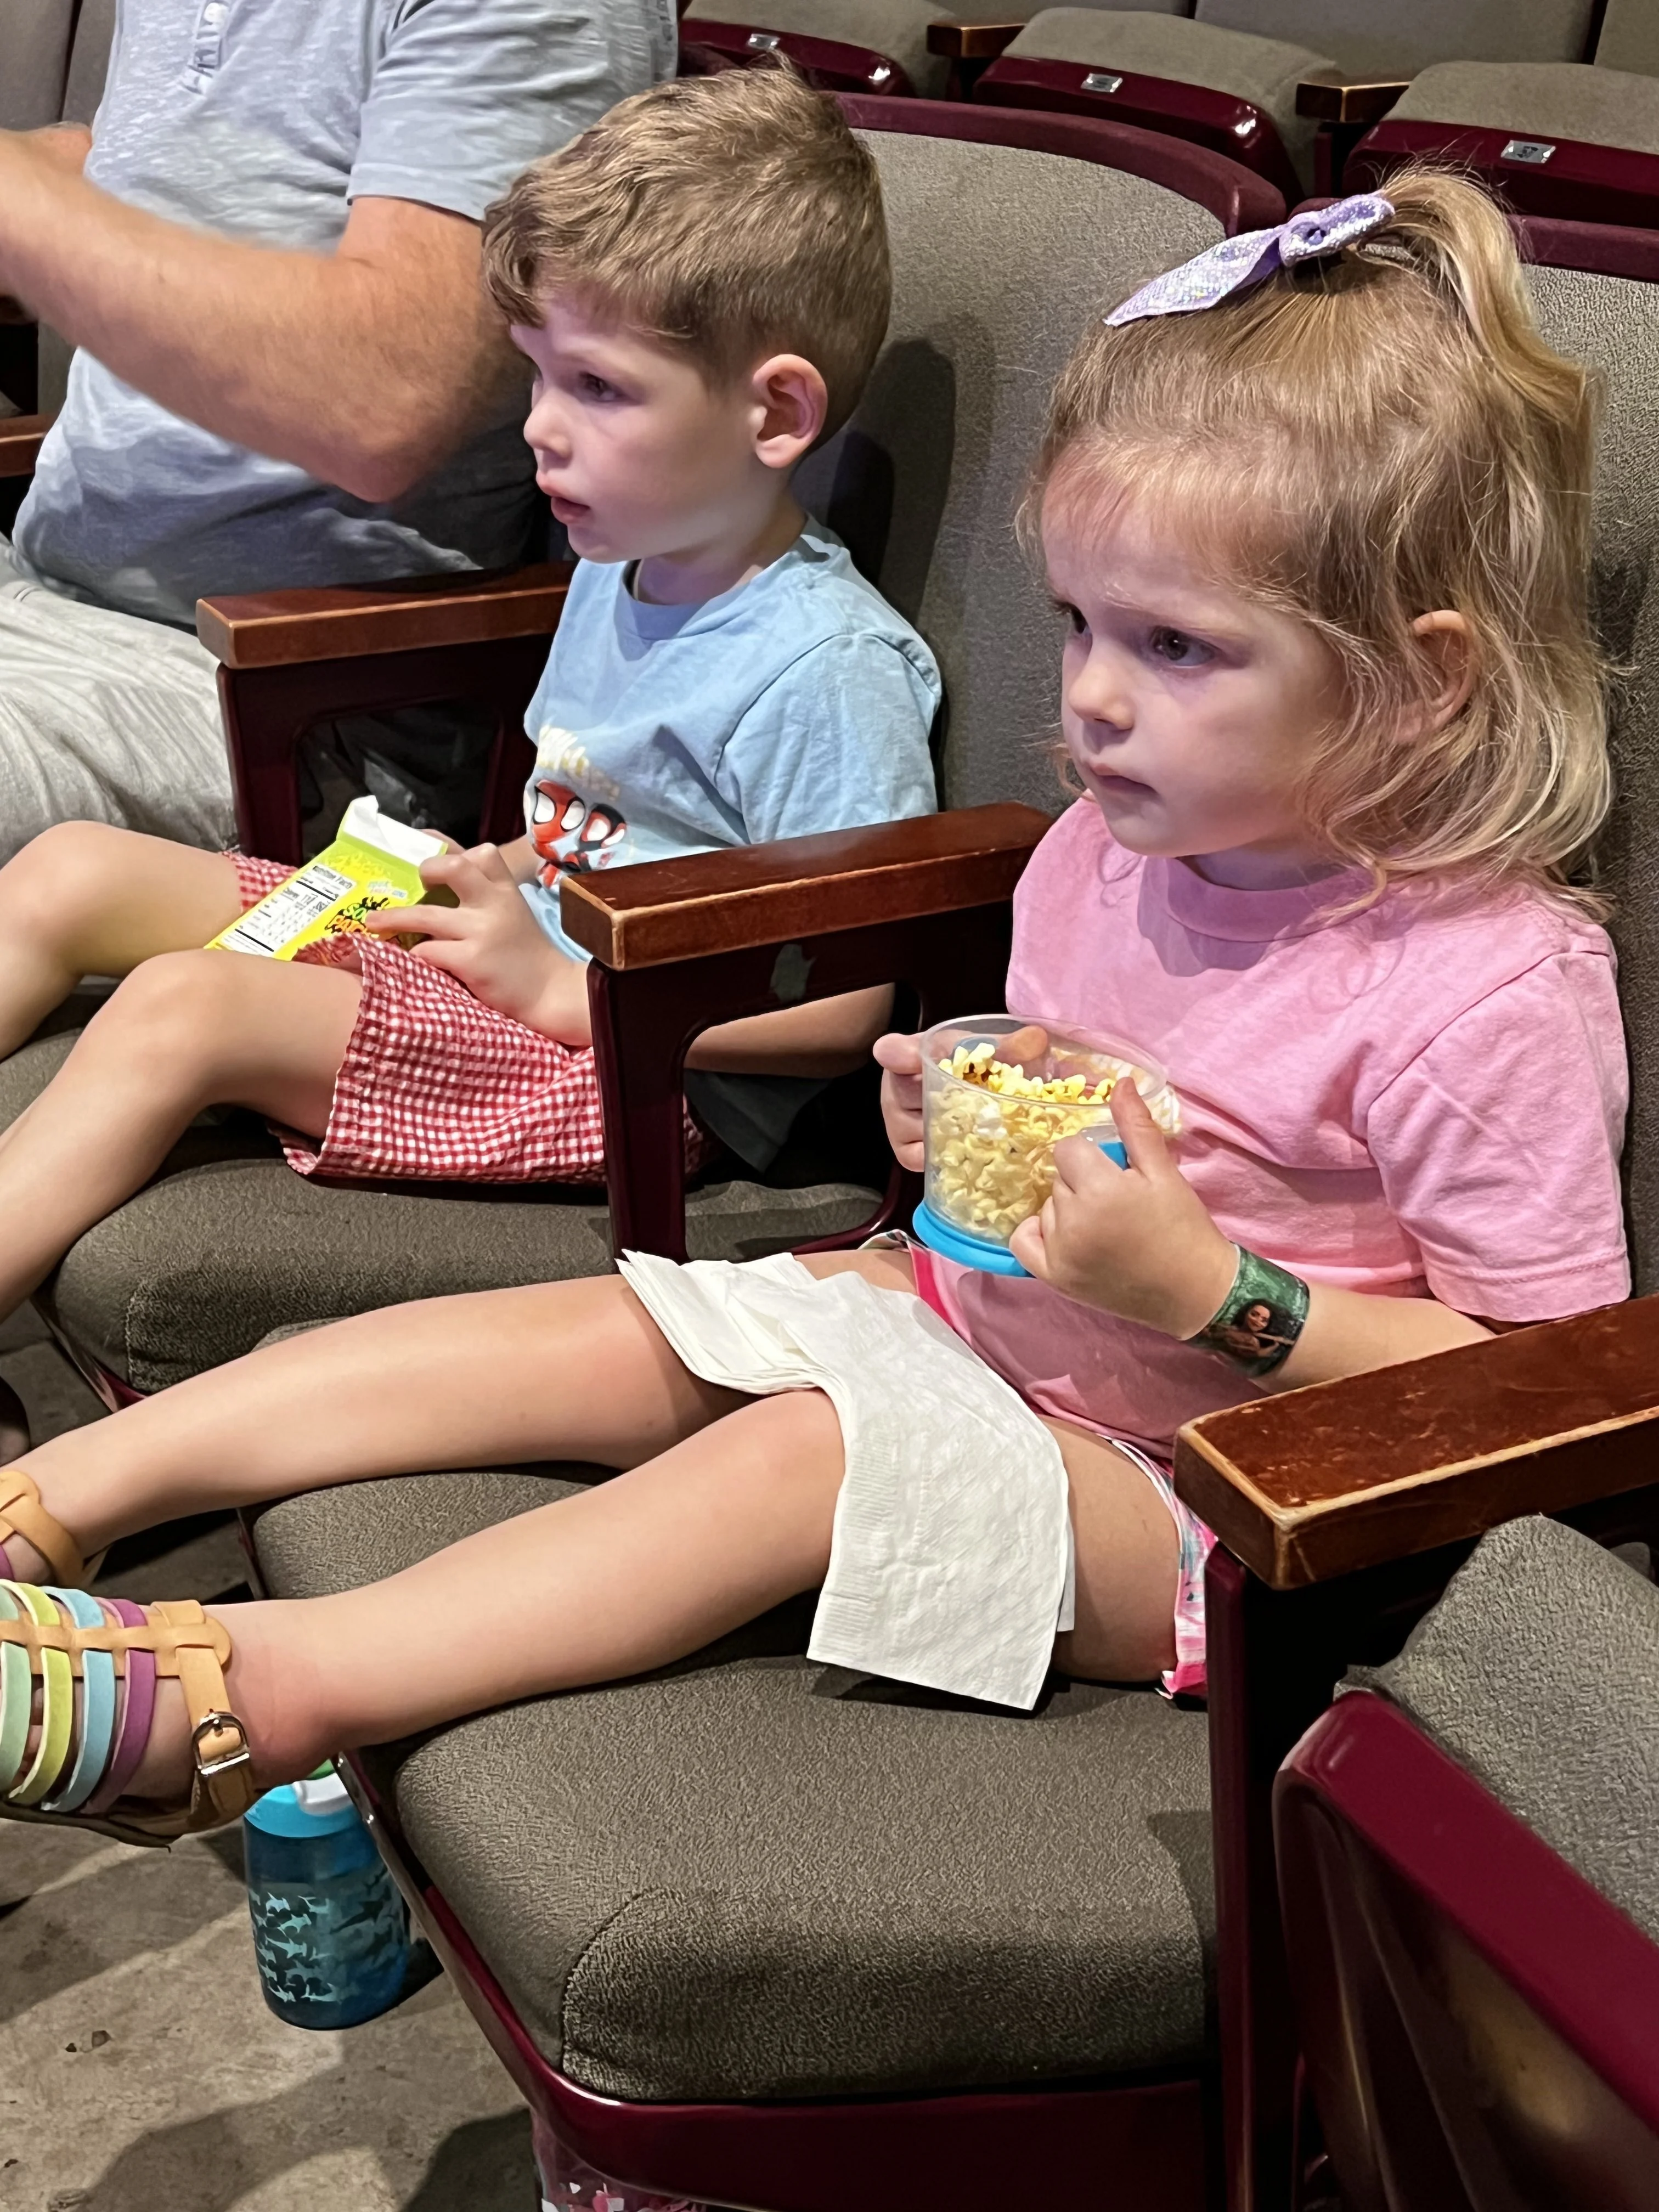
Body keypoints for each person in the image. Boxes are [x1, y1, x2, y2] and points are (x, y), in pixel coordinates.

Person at [0, 172, 1629, 1842]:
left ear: (1424, 680)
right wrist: (950, 1118)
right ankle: (50, 1501)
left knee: (802, 1455)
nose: (1093, 697)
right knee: (623, 1321)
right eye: (1076, 623)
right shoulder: (1106, 849)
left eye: (1179, 646)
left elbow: (1548, 1392)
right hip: (984, 1327)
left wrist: (1222, 1293)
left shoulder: (1486, 984)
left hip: (1224, 1492)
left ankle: (250, 1700)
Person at [0, 64, 939, 1407]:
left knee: (184, 1005)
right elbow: (585, 817)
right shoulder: (626, 555)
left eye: (600, 389)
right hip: (515, 955)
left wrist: (568, 988)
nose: (542, 430)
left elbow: (851, 1000)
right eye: (540, 377)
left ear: (775, 413)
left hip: (636, 1062)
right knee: (77, 864)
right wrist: (488, 873)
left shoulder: (824, 664)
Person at [0, 0, 675, 861]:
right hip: (39, 593)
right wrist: (52, 168)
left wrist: (20, 201)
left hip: (277, 709)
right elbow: (210, 184)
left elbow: (384, 403)